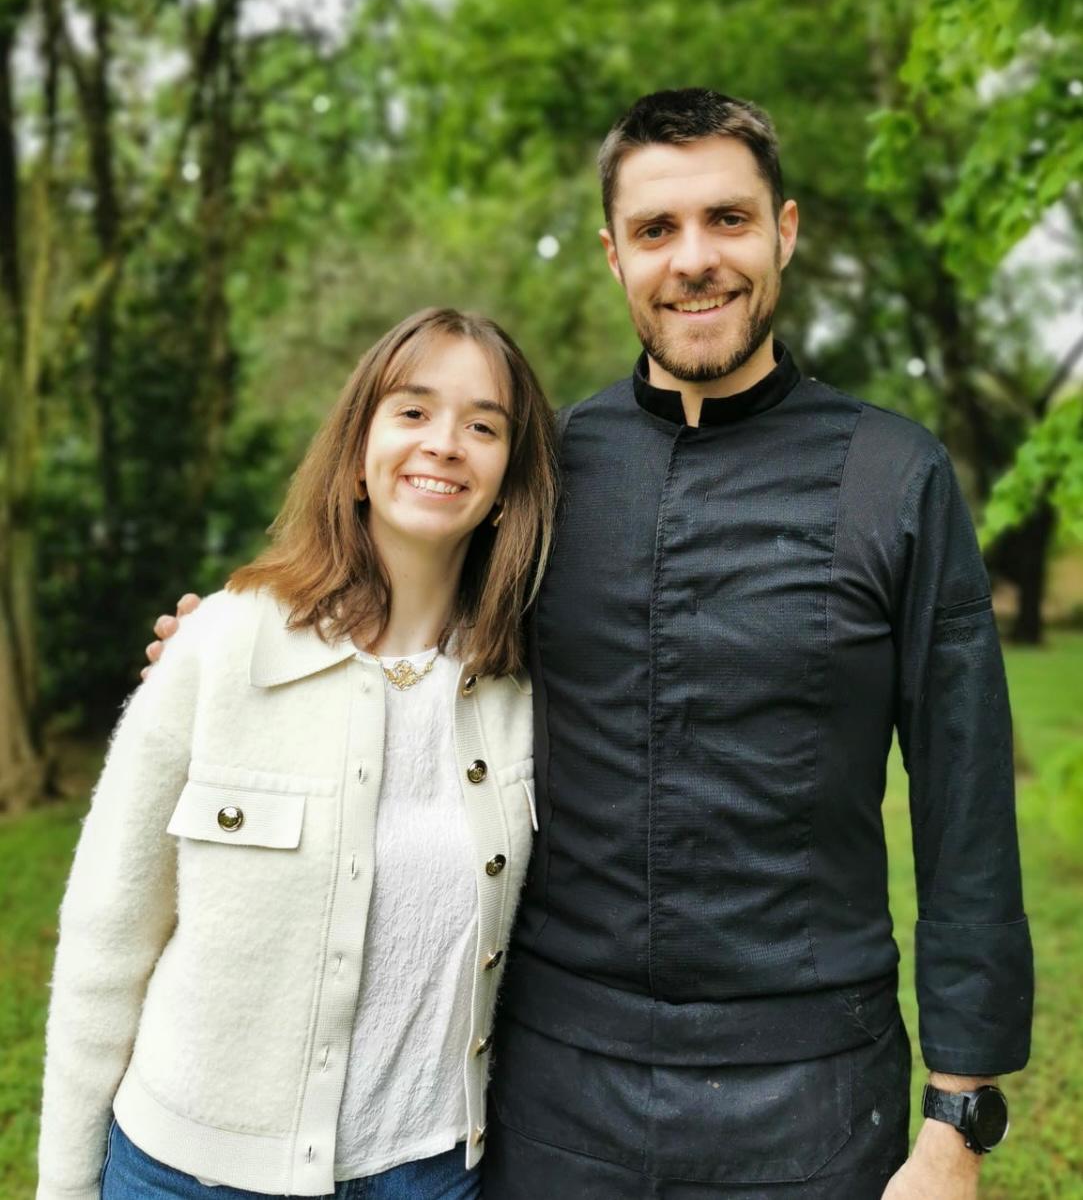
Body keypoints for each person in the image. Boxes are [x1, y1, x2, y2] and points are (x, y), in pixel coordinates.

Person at [145, 90, 1033, 1199]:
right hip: (555, 1087)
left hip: (811, 1088)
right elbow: (396, 620)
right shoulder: (545, 471)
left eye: (729, 220)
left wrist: (955, 1125)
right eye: (658, 231)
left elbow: (967, 818)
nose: (695, 259)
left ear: (786, 230)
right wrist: (232, 644)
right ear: (615, 256)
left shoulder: (898, 479)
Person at [36, 307, 558, 1200]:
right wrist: (64, 1185)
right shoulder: (222, 646)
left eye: (483, 425)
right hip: (186, 1177)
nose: (444, 444)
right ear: (358, 452)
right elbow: (107, 936)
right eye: (412, 412)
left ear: (510, 479)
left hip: (428, 1175)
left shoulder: (529, 693)